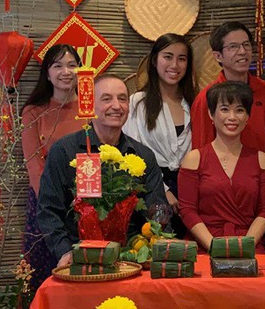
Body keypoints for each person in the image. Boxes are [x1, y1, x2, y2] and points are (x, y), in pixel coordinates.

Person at [37, 74, 168, 269]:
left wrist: (158, 241)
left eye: (122, 99)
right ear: (90, 106)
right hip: (80, 256)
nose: (116, 106)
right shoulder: (64, 151)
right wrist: (65, 251)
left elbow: (156, 207)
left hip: (131, 258)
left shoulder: (143, 155)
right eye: (106, 99)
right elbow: (48, 210)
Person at [178, 82, 265, 252]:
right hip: (204, 245)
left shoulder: (261, 159)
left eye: (239, 110)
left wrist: (245, 245)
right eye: (224, 109)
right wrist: (215, 247)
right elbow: (187, 211)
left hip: (249, 245)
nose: (232, 117)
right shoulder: (194, 159)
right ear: (211, 114)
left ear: (247, 116)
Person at [20, 44, 86, 290]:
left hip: (88, 202)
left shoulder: (92, 109)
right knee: (45, 272)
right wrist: (50, 204)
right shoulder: (33, 112)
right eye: (58, 66)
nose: (66, 72)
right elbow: (34, 166)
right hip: (46, 202)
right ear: (47, 74)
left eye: (72, 65)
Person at [123, 33, 196, 233]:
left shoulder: (194, 103)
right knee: (158, 241)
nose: (175, 65)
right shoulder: (138, 102)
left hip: (190, 190)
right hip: (151, 187)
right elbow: (132, 153)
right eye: (168, 57)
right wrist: (164, 191)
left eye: (182, 59)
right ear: (155, 60)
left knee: (189, 247)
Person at [191, 21, 265, 155]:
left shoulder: (264, 89)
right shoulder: (207, 98)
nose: (242, 51)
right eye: (233, 47)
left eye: (246, 45)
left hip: (262, 166)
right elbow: (201, 151)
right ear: (218, 56)